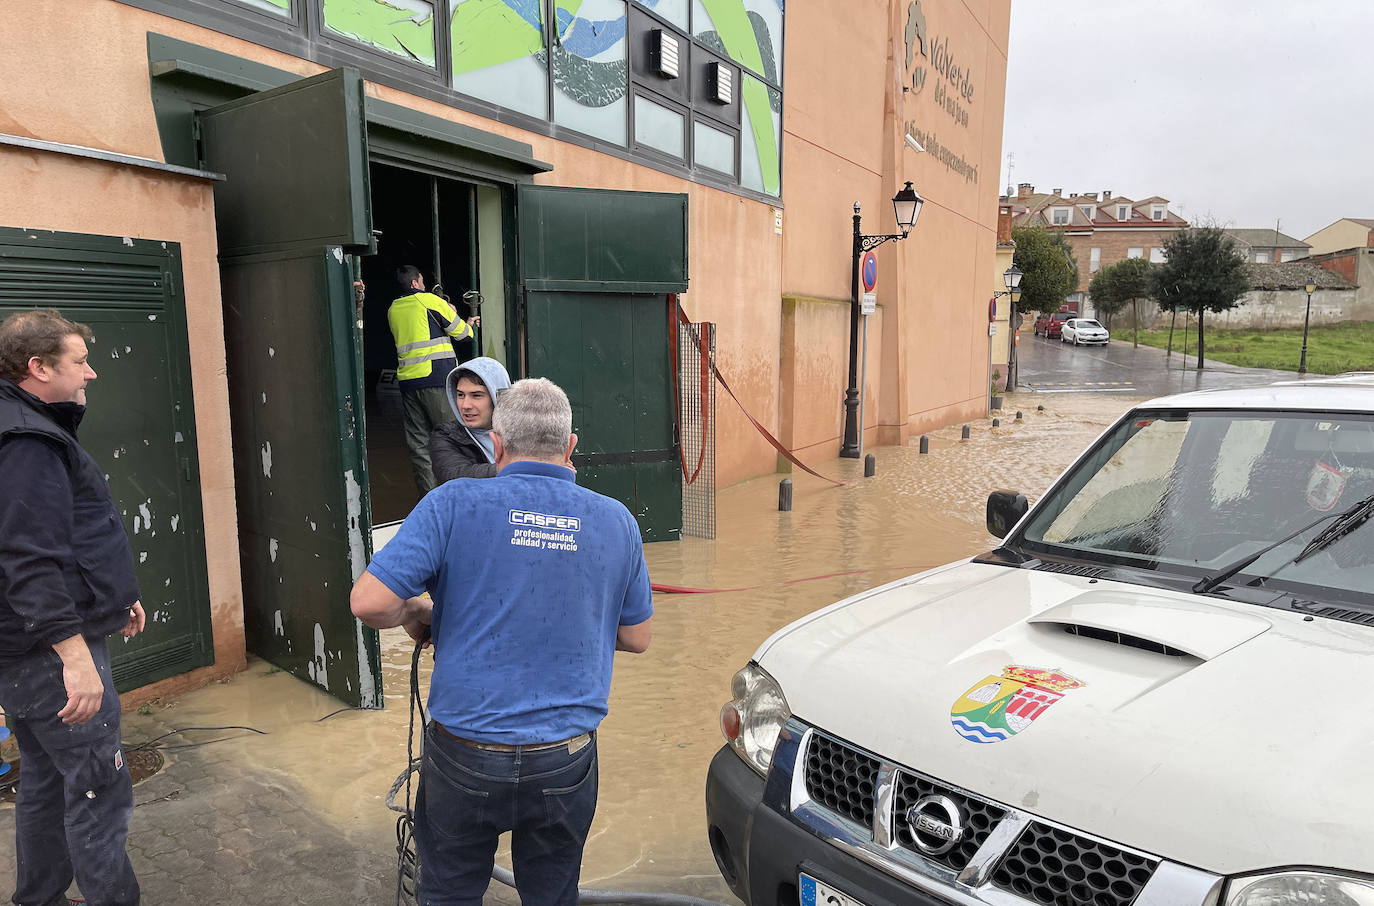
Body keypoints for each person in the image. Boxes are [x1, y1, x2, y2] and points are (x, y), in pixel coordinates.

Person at [351, 378, 652, 906]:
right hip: (566, 757)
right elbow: (637, 636)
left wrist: (418, 611)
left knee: (449, 891)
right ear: (571, 446)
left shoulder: (452, 503)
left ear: (496, 444)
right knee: (553, 894)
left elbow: (370, 603)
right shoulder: (617, 520)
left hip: (465, 754)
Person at [0, 309, 146, 906]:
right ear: (38, 368)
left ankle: (38, 899)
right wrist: (74, 655)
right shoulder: (26, 441)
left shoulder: (25, 423)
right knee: (97, 788)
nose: (91, 374)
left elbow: (72, 534)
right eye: (79, 362)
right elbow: (28, 557)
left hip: (31, 645)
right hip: (45, 653)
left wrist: (115, 598)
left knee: (43, 779)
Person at [388, 265, 480, 494]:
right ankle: (458, 496)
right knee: (452, 439)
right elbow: (463, 334)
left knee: (420, 446)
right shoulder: (429, 301)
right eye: (421, 281)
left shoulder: (393, 308)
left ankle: (430, 500)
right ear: (414, 284)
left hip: (409, 383)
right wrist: (458, 315)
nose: (424, 285)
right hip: (436, 379)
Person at [428, 356, 512, 484]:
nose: (465, 405)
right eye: (460, 395)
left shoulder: (524, 430)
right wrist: (516, 467)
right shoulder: (446, 436)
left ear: (499, 397)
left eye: (476, 395)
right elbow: (454, 476)